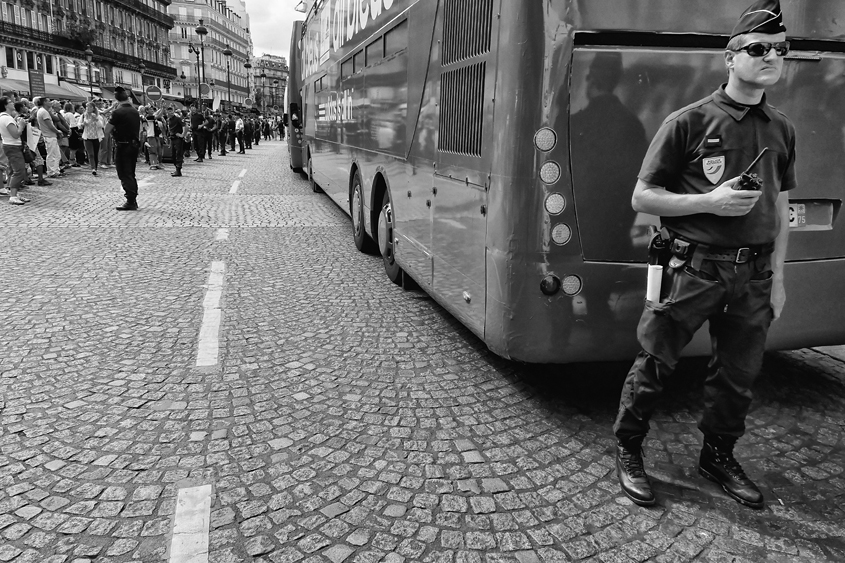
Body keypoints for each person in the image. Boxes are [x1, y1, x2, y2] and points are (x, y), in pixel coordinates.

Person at [613, 0, 795, 510]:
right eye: (758, 49)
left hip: (754, 274)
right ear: (730, 57)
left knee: (738, 377)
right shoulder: (689, 121)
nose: (771, 57)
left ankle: (717, 456)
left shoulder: (782, 128)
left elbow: (782, 208)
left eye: (780, 50)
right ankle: (628, 449)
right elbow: (642, 198)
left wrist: (778, 280)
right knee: (655, 363)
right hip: (693, 268)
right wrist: (709, 201)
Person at [105, 86, 141, 211]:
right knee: (131, 172)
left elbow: (107, 129)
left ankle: (130, 200)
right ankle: (133, 199)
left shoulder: (117, 112)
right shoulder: (135, 111)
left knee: (124, 173)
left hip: (123, 144)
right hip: (134, 144)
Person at [0, 97, 31, 205]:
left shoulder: (4, 117)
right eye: (10, 102)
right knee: (19, 171)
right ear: (5, 105)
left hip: (10, 146)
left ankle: (14, 194)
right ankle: (13, 196)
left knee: (14, 170)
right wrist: (21, 126)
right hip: (13, 146)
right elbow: (15, 134)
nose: (13, 103)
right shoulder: (7, 118)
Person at [35, 97, 63, 178]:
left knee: (57, 154)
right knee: (52, 155)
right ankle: (51, 171)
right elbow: (50, 125)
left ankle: (55, 170)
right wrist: (57, 131)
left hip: (50, 135)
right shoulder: (43, 112)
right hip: (49, 136)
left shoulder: (44, 111)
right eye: (48, 101)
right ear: (44, 103)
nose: (50, 102)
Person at [79, 101, 105, 176]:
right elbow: (79, 125)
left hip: (96, 137)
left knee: (95, 153)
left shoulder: (98, 116)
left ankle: (95, 168)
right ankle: (93, 168)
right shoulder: (83, 116)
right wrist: (83, 124)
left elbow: (101, 126)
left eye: (90, 107)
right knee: (90, 154)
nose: (88, 108)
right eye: (87, 107)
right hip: (87, 137)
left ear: (93, 108)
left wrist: (96, 119)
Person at [167, 105, 185, 177]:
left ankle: (178, 170)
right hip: (172, 138)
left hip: (178, 139)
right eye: (169, 111)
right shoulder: (169, 120)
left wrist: (182, 134)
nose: (170, 112)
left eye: (171, 111)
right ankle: (176, 169)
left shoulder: (177, 119)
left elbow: (185, 126)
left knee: (178, 154)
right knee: (173, 155)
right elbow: (170, 129)